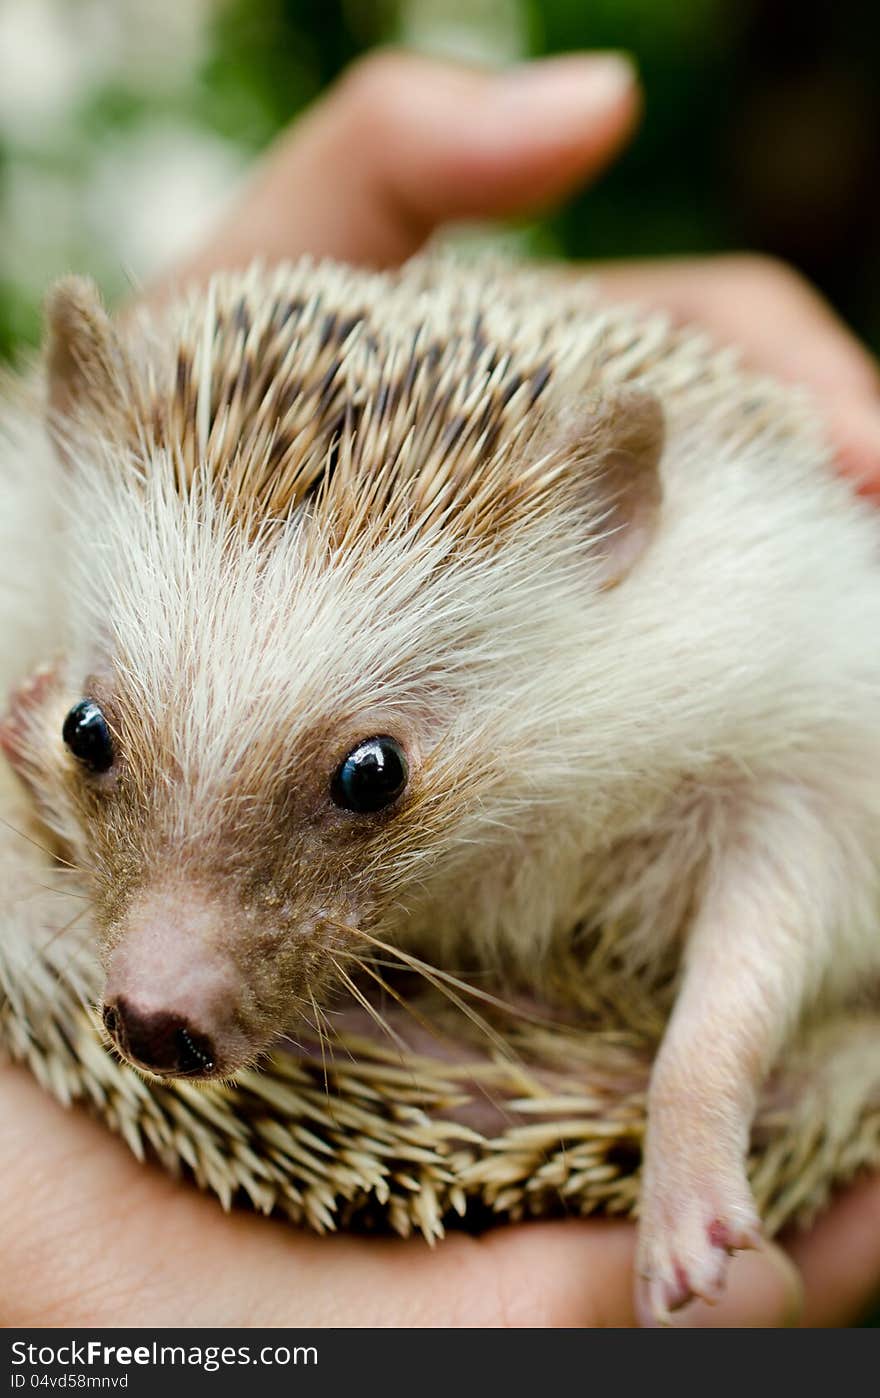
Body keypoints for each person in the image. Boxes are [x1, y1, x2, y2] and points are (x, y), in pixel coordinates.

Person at [2, 50, 879, 1329]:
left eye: (367, 779)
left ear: (606, 529)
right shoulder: (48, 532)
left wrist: (696, 1103)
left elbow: (820, 832)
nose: (158, 981)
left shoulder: (741, 607)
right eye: (99, 735)